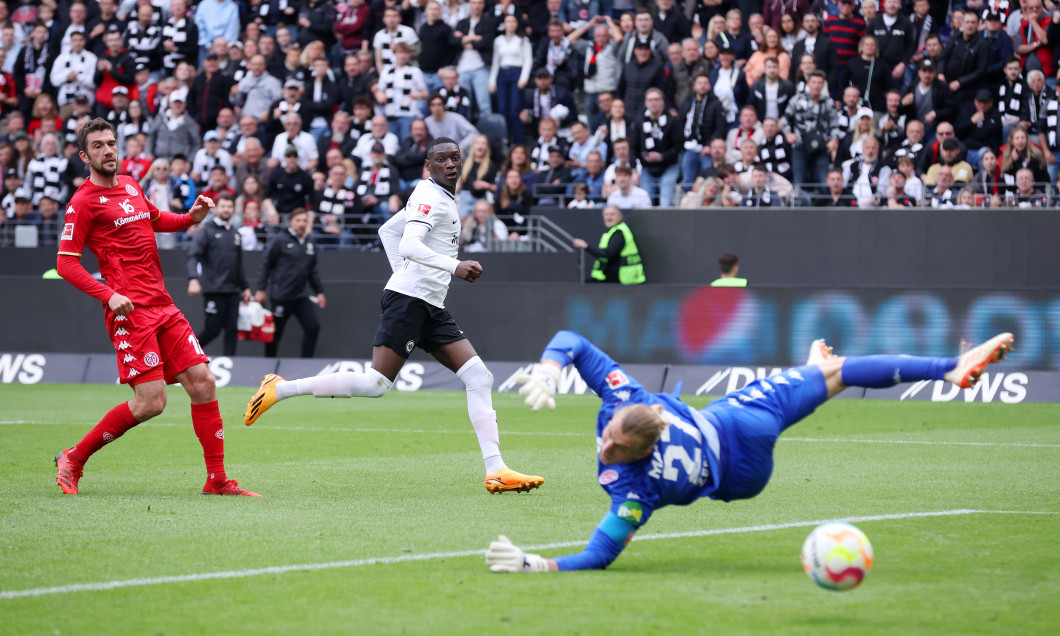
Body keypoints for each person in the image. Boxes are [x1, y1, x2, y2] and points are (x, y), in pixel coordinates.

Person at [483, 329, 1014, 573]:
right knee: (831, 375)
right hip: (730, 428)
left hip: (739, 478)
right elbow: (571, 339)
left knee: (824, 375)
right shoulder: (632, 400)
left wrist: (537, 565)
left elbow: (601, 555)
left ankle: (812, 372)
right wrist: (553, 366)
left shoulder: (636, 490)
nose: (605, 438)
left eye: (611, 438)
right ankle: (945, 367)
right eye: (610, 436)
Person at [244, 137, 544, 495]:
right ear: (428, 166)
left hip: (428, 302)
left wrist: (406, 273)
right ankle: (281, 388)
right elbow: (407, 243)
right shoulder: (431, 196)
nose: (450, 164)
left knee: (479, 376)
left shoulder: (435, 196)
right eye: (441, 159)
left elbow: (388, 231)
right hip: (410, 301)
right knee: (376, 385)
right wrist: (453, 266)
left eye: (455, 158)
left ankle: (496, 470)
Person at [53, 118, 259, 497]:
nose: (108, 151)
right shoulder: (82, 203)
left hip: (163, 304)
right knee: (152, 403)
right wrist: (107, 294)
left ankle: (216, 480)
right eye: (98, 146)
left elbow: (155, 218)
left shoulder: (131, 184)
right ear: (85, 156)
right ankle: (74, 457)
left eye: (111, 143)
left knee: (203, 382)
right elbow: (65, 262)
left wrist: (190, 219)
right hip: (129, 312)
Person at [255, 208, 325, 358]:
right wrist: (260, 288)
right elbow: (266, 264)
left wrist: (319, 291)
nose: (301, 224)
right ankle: (269, 364)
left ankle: (306, 363)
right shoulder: (280, 240)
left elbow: (312, 271)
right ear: (291, 221)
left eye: (304, 221)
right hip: (281, 295)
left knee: (313, 327)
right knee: (275, 333)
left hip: (301, 296)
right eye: (298, 220)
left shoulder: (309, 242)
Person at [186, 193, 251, 357]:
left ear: (233, 210)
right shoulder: (205, 231)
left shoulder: (236, 234)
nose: (226, 209)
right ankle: (187, 355)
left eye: (229, 206)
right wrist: (193, 278)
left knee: (232, 330)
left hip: (233, 291)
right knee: (213, 329)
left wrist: (245, 287)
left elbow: (239, 264)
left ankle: (232, 364)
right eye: (223, 206)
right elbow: (193, 255)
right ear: (215, 209)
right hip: (213, 289)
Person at [572, 205, 645, 285]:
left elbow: (608, 253)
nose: (609, 217)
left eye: (612, 214)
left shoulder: (619, 232)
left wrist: (586, 246)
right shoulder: (613, 231)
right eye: (607, 214)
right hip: (612, 276)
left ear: (620, 216)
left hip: (622, 278)